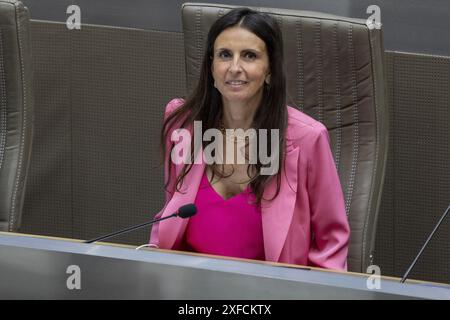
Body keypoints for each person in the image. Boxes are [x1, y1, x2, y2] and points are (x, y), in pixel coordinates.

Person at [149, 7, 350, 271]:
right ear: (211, 67)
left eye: (249, 56)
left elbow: (331, 243)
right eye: (224, 55)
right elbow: (171, 211)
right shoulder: (183, 124)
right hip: (190, 288)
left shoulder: (307, 139)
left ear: (269, 71)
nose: (234, 68)